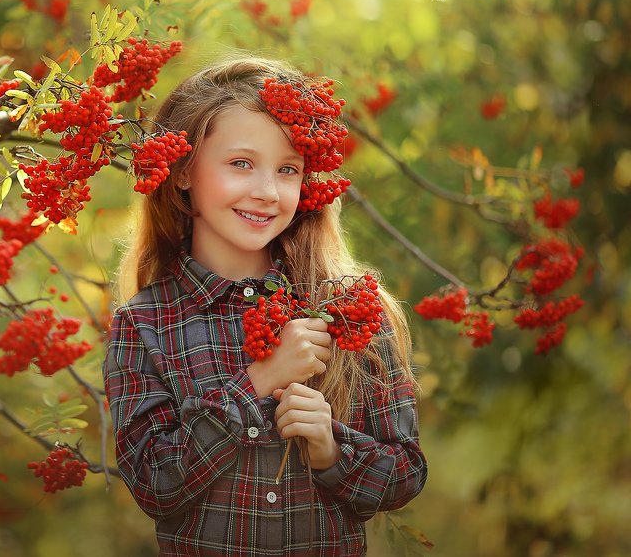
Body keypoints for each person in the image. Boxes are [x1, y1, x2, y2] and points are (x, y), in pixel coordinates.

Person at [104, 57, 427, 556]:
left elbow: (405, 475)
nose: (267, 192)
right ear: (184, 171)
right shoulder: (144, 325)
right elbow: (154, 486)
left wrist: (331, 450)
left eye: (287, 170)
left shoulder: (350, 311)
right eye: (241, 163)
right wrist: (257, 382)